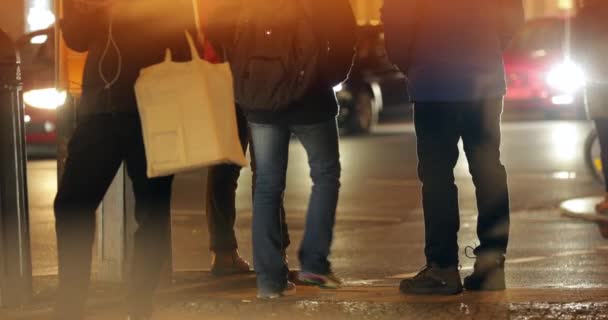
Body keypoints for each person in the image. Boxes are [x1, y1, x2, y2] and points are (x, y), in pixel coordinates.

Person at [54, 0, 196, 319]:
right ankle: (70, 305)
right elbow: (75, 39)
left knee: (152, 211)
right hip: (99, 110)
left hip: (153, 109)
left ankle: (140, 301)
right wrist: (87, 8)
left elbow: (183, 34)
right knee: (71, 205)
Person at [205, 0, 356, 298]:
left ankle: (270, 280)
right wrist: (326, 76)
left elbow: (215, 25)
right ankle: (314, 263)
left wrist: (244, 69)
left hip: (262, 98)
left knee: (267, 184)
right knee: (325, 176)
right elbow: (344, 34)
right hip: (312, 97)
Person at [382, 0, 524, 294]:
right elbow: (512, 15)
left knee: (437, 178)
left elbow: (397, 18)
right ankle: (491, 266)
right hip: (484, 79)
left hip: (434, 78)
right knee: (488, 171)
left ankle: (443, 268)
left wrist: (412, 61)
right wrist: (487, 47)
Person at [572, 0, 608, 214]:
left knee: (606, 142)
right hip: (597, 78)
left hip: (597, 80)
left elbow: (575, 52)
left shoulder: (584, 16)